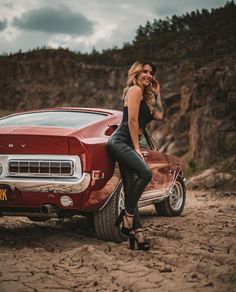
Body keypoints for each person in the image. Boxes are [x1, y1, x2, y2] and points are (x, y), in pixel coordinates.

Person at [107, 60, 164, 251]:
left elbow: (159, 116)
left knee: (132, 187)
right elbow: (131, 121)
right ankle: (127, 216)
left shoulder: (146, 96)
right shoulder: (134, 90)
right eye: (145, 71)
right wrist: (136, 148)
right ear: (137, 72)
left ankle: (137, 234)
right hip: (122, 141)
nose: (149, 74)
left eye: (151, 72)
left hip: (128, 143)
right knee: (145, 174)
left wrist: (157, 93)